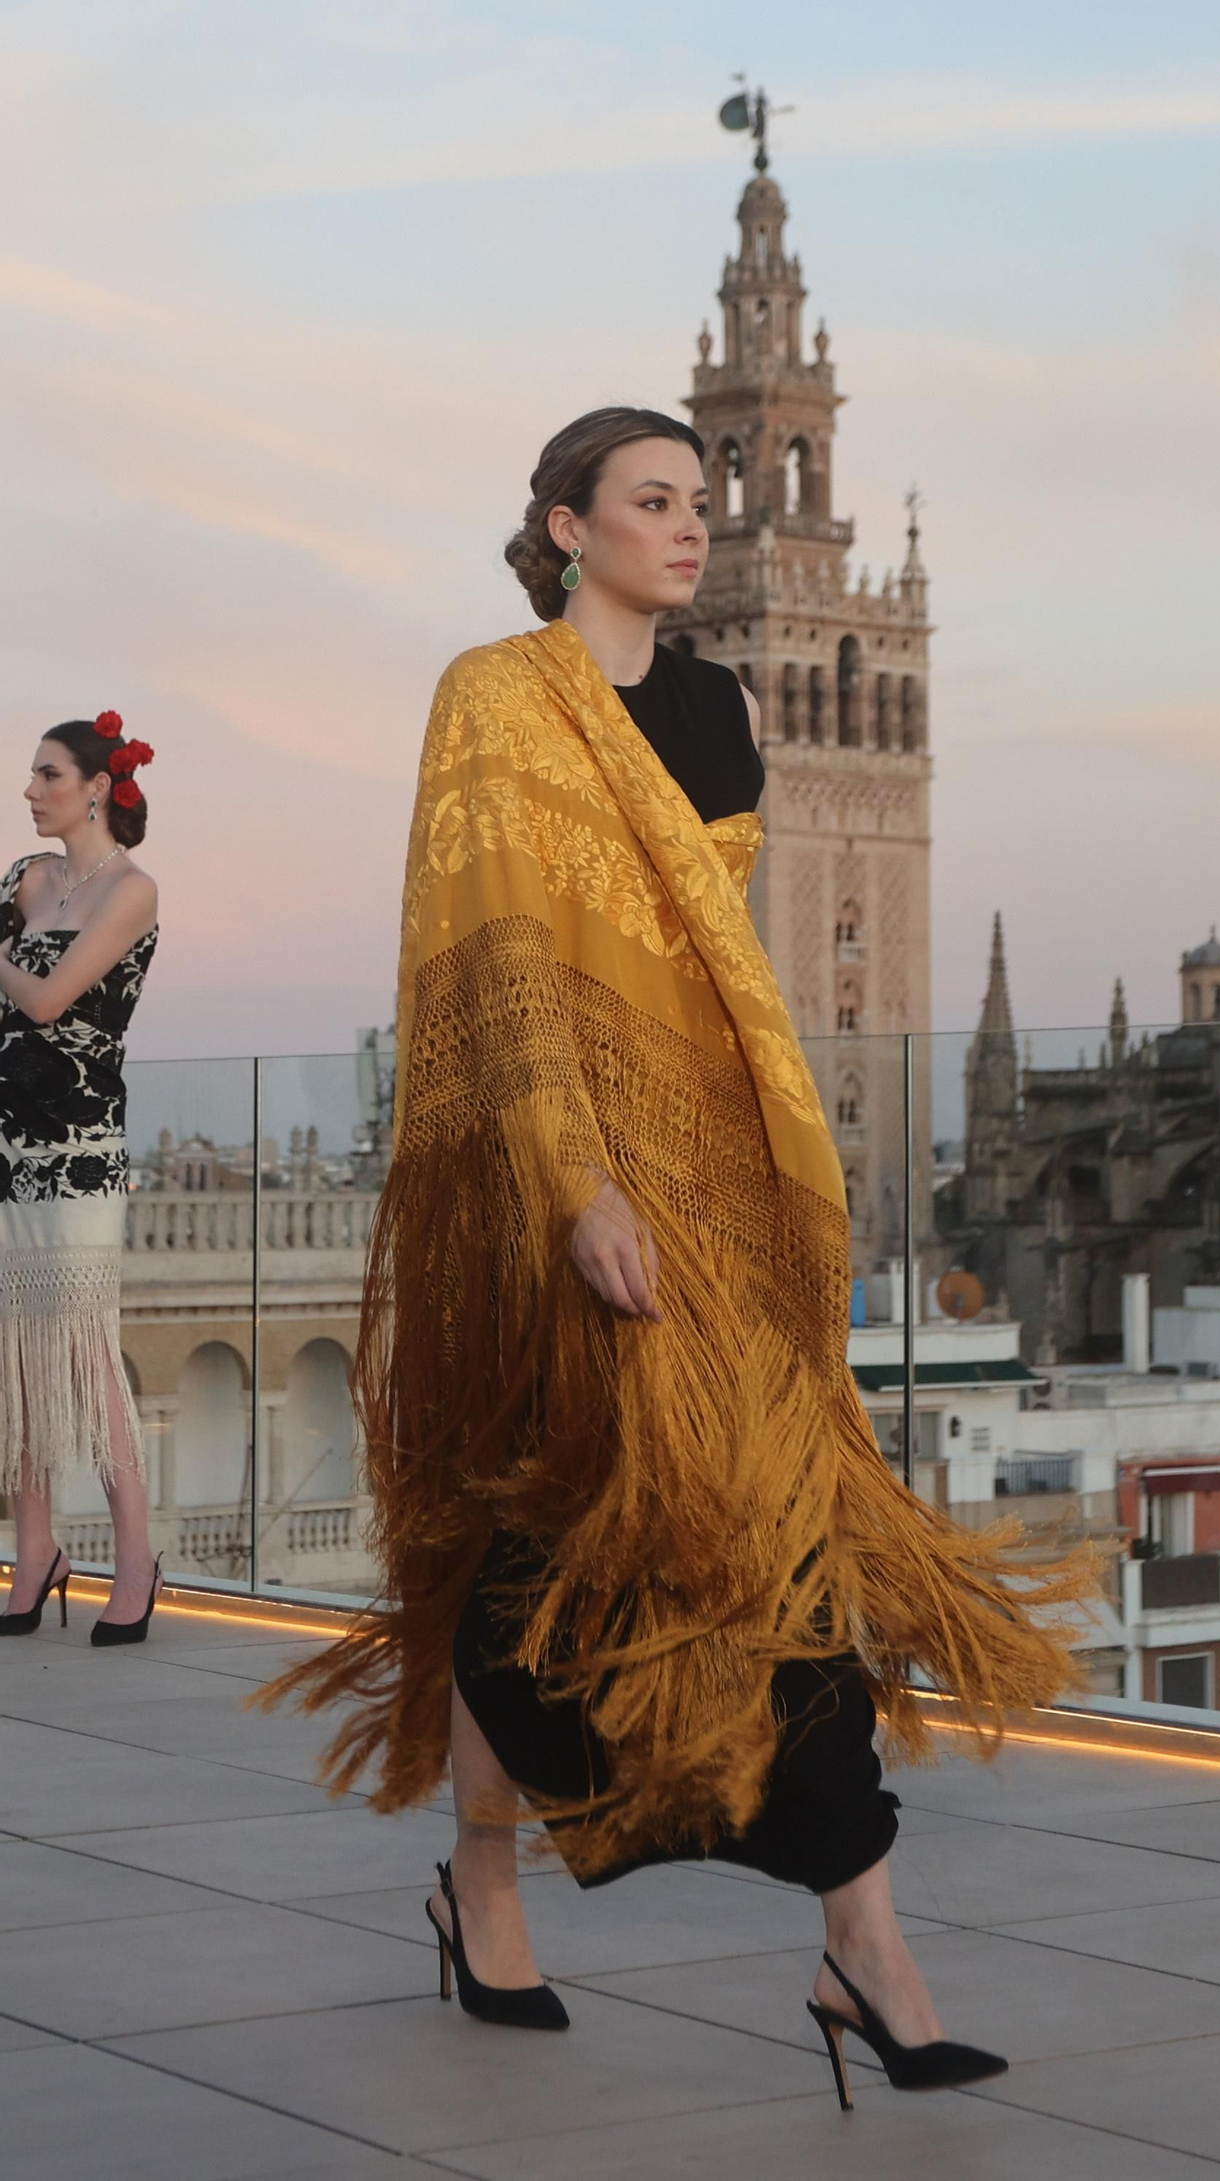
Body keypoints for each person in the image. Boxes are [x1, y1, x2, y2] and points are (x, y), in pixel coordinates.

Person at [266, 407, 1100, 2104]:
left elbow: (714, 956)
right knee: (534, 1540)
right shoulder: (495, 697)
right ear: (567, 526)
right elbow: (503, 959)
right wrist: (579, 1187)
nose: (690, 526)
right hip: (556, 1189)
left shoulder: (721, 707)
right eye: (653, 500)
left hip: (719, 1186)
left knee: (774, 1533)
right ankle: (489, 1884)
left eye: (700, 500)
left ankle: (862, 1940)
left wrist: (759, 1173)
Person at [0, 712, 162, 1644]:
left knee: (85, 1350)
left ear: (96, 786)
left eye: (46, 773)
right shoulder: (26, 881)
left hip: (79, 1150)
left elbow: (50, 1000)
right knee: (15, 1350)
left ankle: (135, 1557)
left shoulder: (132, 891)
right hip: (7, 1145)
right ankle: (36, 1553)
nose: (29, 790)